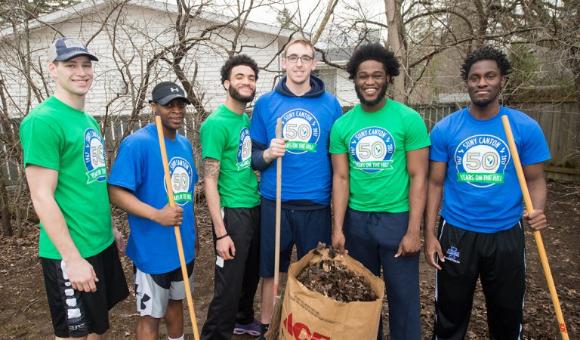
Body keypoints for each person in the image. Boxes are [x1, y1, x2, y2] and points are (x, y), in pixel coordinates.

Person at [424, 46, 550, 339]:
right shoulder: (446, 129)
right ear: (467, 82)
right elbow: (434, 184)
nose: (482, 82)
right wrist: (429, 234)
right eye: (475, 77)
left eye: (489, 76)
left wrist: (537, 210)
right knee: (450, 315)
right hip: (457, 232)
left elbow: (536, 180)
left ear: (502, 80)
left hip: (506, 233)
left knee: (506, 315)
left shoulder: (524, 127)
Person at [20, 36, 129, 339]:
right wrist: (72, 259)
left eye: (86, 65)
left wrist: (109, 229)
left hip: (98, 242)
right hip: (71, 251)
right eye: (71, 65)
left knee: (96, 327)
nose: (81, 72)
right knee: (74, 334)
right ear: (52, 69)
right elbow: (41, 196)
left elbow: (89, 181)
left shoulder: (87, 120)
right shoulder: (42, 121)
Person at [330, 43, 430, 340]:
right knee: (362, 297)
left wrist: (414, 230)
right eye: (363, 76)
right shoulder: (342, 125)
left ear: (388, 77)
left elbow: (419, 176)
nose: (369, 82)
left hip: (396, 220)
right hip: (357, 223)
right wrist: (338, 228)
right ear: (355, 79)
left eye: (376, 75)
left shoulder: (408, 119)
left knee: (403, 298)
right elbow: (341, 177)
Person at [250, 38, 343, 337]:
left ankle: (310, 328)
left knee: (314, 273)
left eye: (305, 58)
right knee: (271, 271)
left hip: (315, 204)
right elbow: (253, 158)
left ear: (314, 64)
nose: (299, 63)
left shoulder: (331, 105)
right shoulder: (266, 103)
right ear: (283, 62)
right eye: (293, 57)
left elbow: (337, 157)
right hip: (274, 201)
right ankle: (267, 325)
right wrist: (267, 153)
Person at [108, 82, 198, 340]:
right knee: (150, 315)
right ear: (153, 107)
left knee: (177, 304)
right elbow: (115, 192)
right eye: (169, 104)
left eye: (181, 104)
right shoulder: (137, 144)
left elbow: (186, 197)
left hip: (183, 247)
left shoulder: (184, 145)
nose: (177, 110)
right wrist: (156, 215)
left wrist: (194, 239)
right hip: (152, 250)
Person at [200, 55, 262, 339]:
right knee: (229, 283)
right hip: (232, 211)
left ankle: (243, 319)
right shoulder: (216, 123)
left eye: (250, 78)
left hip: (253, 204)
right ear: (227, 83)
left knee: (249, 275)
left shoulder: (245, 119)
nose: (246, 82)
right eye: (239, 77)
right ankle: (215, 334)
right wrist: (221, 233)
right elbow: (210, 180)